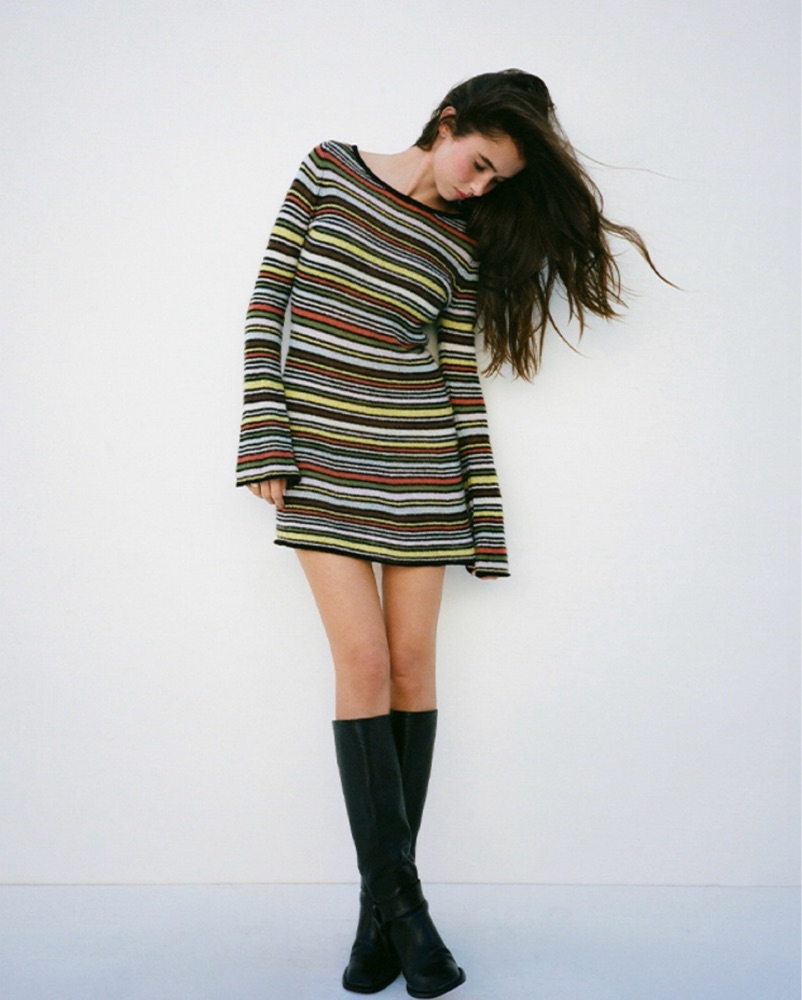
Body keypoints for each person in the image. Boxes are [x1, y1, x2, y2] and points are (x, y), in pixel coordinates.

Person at [236, 69, 664, 998]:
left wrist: (481, 513)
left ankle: (380, 917)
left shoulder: (463, 242)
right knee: (361, 665)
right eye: (479, 165)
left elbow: (454, 373)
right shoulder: (327, 169)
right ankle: (408, 910)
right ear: (447, 121)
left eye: (497, 182)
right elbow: (269, 304)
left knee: (411, 668)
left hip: (421, 465)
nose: (479, 188)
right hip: (320, 458)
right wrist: (264, 434)